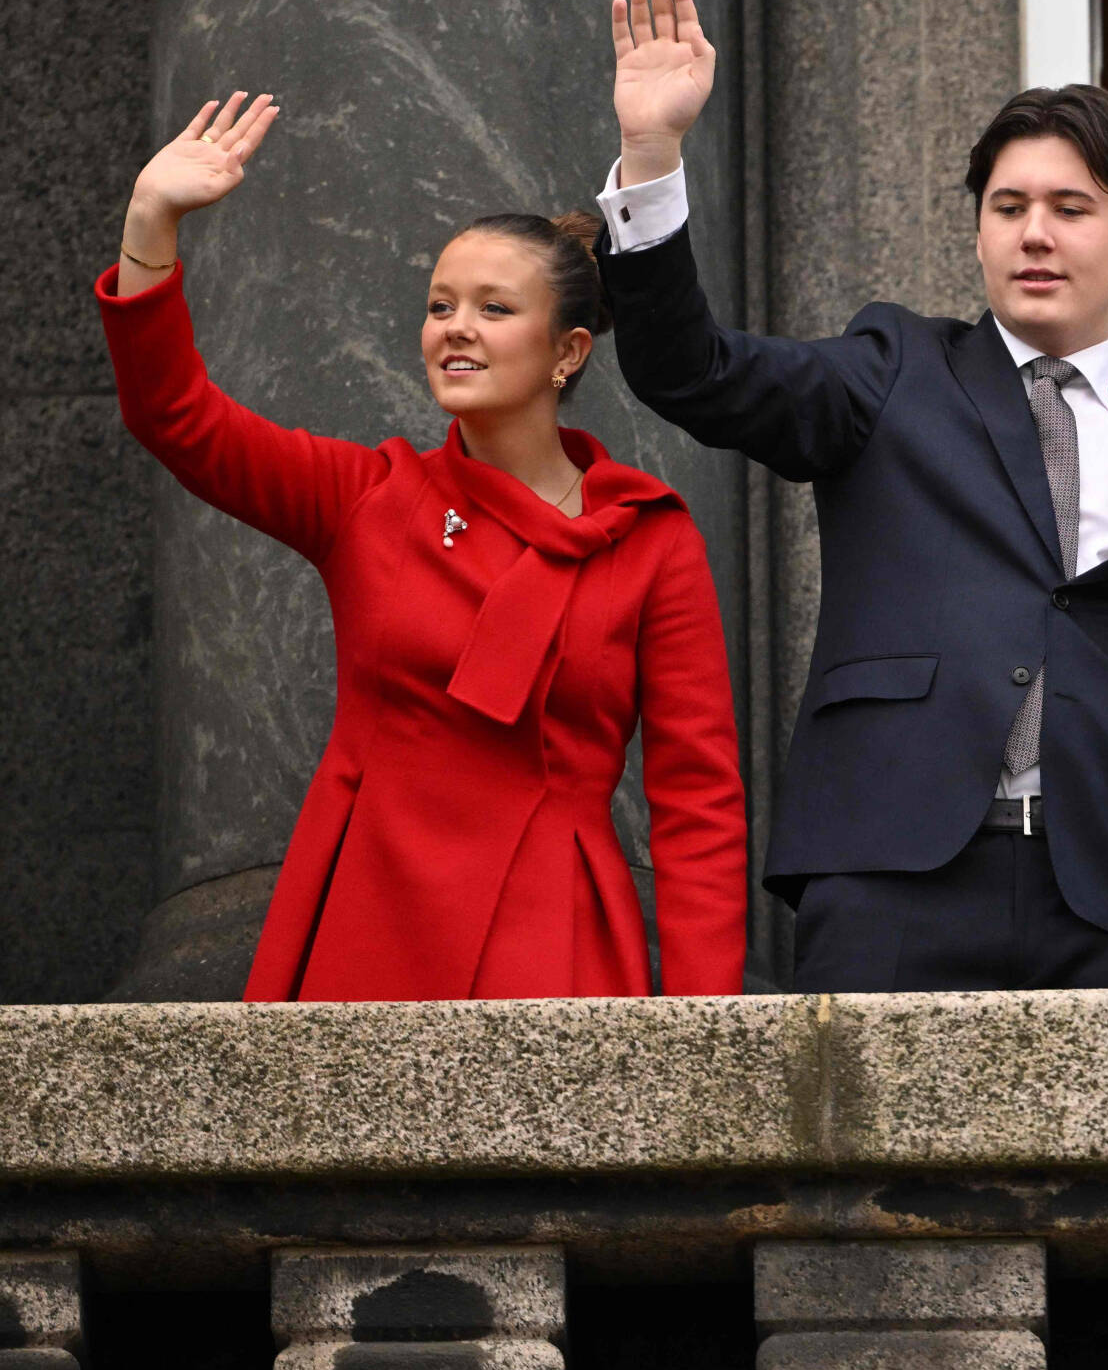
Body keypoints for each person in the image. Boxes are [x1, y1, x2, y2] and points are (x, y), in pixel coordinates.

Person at [589, 0, 1108, 992]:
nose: (1034, 233)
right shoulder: (894, 369)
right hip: (888, 877)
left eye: (1070, 207)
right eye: (1008, 206)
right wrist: (653, 156)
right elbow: (694, 371)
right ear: (978, 231)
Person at [99, 92, 747, 1000]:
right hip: (366, 918)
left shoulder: (648, 541)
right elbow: (178, 419)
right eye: (441, 305)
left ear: (566, 353)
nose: (456, 328)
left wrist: (703, 1037)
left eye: (493, 307)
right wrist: (151, 220)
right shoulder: (370, 497)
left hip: (552, 935)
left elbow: (699, 807)